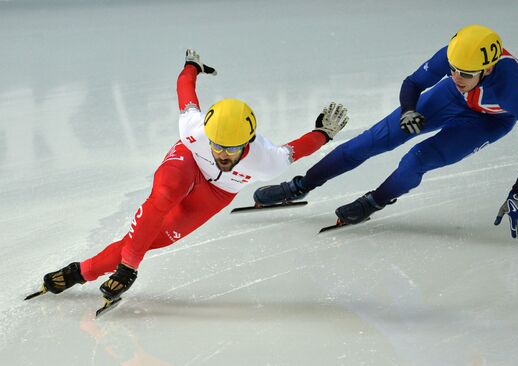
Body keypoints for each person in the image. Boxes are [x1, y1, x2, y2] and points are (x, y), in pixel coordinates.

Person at [36, 49, 349, 301]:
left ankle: (80, 272)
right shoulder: (194, 131)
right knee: (164, 195)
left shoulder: (267, 160)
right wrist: (192, 66)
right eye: (217, 146)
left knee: (157, 237)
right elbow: (185, 91)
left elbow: (298, 149)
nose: (223, 154)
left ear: (249, 143)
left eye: (232, 149)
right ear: (207, 136)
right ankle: (128, 268)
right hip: (187, 163)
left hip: (216, 194)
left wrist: (323, 132)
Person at [254, 24, 518, 241]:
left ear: (487, 69)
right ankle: (301, 185)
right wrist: (408, 109)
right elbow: (412, 82)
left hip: (487, 121)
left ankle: (376, 200)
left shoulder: (512, 92)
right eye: (454, 70)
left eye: (466, 74)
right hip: (448, 99)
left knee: (416, 160)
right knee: (371, 140)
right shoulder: (455, 59)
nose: (457, 77)